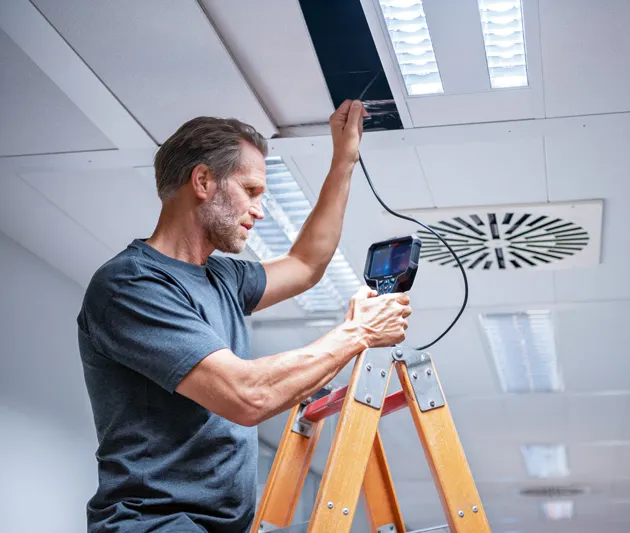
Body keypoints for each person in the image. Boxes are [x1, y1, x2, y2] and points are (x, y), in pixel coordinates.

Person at [76, 100, 411, 533]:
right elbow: (246, 397)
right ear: (202, 181)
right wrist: (360, 332)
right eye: (250, 191)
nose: (259, 209)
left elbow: (306, 264)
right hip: (155, 524)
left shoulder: (222, 276)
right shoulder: (131, 285)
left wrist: (343, 159)